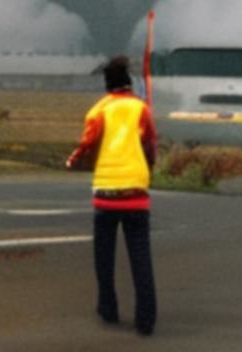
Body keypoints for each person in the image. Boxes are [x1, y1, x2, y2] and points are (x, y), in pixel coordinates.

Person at [66, 55, 158, 335]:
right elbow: (150, 146)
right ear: (129, 84)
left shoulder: (98, 111)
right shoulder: (141, 109)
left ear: (107, 85)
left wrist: (72, 162)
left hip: (106, 191)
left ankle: (109, 308)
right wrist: (148, 169)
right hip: (135, 190)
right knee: (140, 256)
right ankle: (146, 319)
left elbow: (87, 145)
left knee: (104, 256)